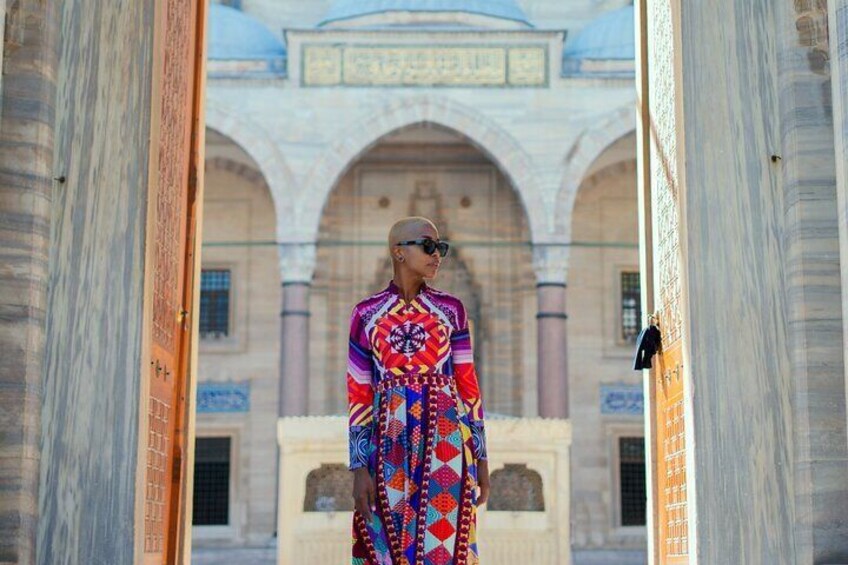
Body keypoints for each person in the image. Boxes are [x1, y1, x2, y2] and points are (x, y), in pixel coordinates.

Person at [347, 216, 490, 565]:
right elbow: (359, 393)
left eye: (440, 247)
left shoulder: (451, 311)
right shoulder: (366, 315)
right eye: (428, 246)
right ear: (399, 252)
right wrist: (358, 467)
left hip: (446, 447)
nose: (437, 254)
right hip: (388, 444)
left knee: (443, 546)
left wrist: (482, 459)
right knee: (384, 545)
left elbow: (468, 387)